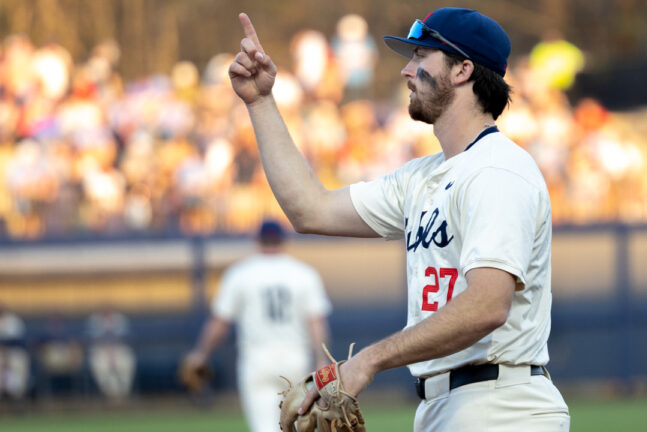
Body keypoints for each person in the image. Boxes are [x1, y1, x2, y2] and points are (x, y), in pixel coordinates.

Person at [229, 6, 570, 431]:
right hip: (446, 405)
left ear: (463, 69)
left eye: (420, 56)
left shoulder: (496, 170)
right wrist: (261, 102)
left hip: (501, 405)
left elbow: (487, 305)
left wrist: (368, 361)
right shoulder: (422, 178)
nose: (407, 71)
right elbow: (309, 209)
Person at [183, 219, 332, 432]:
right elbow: (316, 322)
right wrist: (321, 358)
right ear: (283, 240)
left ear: (257, 240)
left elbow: (220, 323)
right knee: (298, 427)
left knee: (265, 428)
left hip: (257, 361)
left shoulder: (241, 273)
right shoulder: (303, 273)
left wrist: (201, 353)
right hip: (295, 359)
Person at [85, 306, 136, 402]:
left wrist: (112, 349)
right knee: (100, 364)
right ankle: (111, 396)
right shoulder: (94, 320)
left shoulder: (120, 319)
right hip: (101, 351)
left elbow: (127, 337)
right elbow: (90, 339)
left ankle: (123, 395)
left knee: (126, 361)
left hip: (119, 350)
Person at [0, 304, 30, 402]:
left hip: (15, 353)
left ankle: (18, 399)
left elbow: (19, 340)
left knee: (19, 363)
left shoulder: (13, 321)